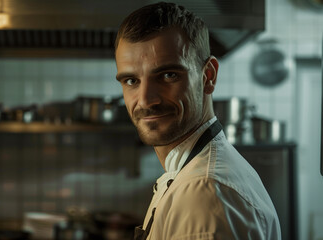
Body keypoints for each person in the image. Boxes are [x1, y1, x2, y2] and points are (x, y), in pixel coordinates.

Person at [114, 2, 281, 240]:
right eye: (131, 81)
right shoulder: (197, 175)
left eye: (168, 75)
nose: (145, 100)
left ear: (208, 76)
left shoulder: (204, 192)